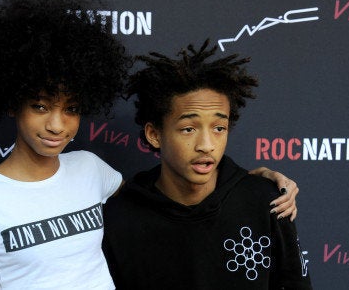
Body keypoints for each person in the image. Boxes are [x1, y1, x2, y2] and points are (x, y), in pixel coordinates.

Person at [0, 0, 299, 290]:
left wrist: (256, 179)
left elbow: (161, 199)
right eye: (40, 106)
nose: (56, 125)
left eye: (70, 109)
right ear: (12, 103)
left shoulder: (90, 169)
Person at [102, 40, 313, 289]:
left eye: (219, 128)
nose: (206, 145)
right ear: (154, 134)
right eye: (189, 129)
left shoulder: (268, 201)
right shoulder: (120, 216)